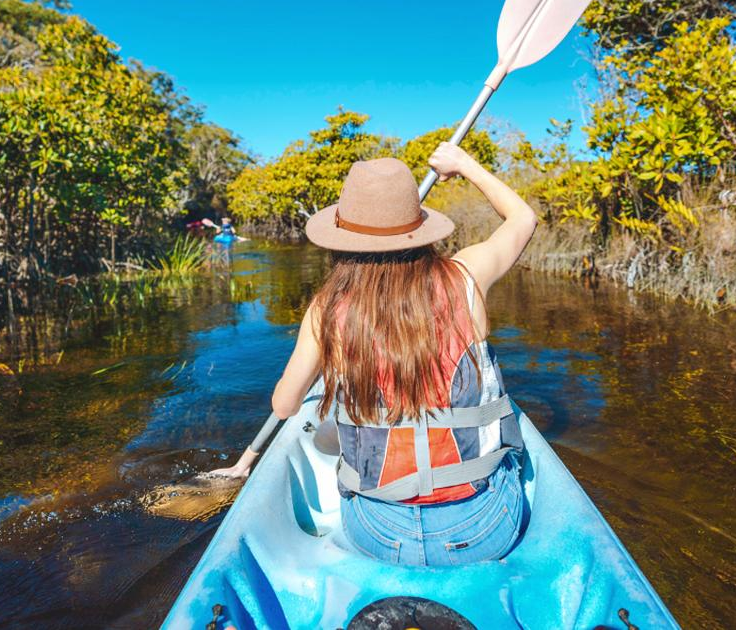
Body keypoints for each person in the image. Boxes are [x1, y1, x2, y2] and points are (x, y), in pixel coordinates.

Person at [210, 142, 536, 566]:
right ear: (419, 229)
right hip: (484, 528)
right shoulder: (467, 276)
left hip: (379, 532)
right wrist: (465, 165)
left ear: (343, 239)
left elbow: (285, 404)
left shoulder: (326, 309)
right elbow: (523, 218)